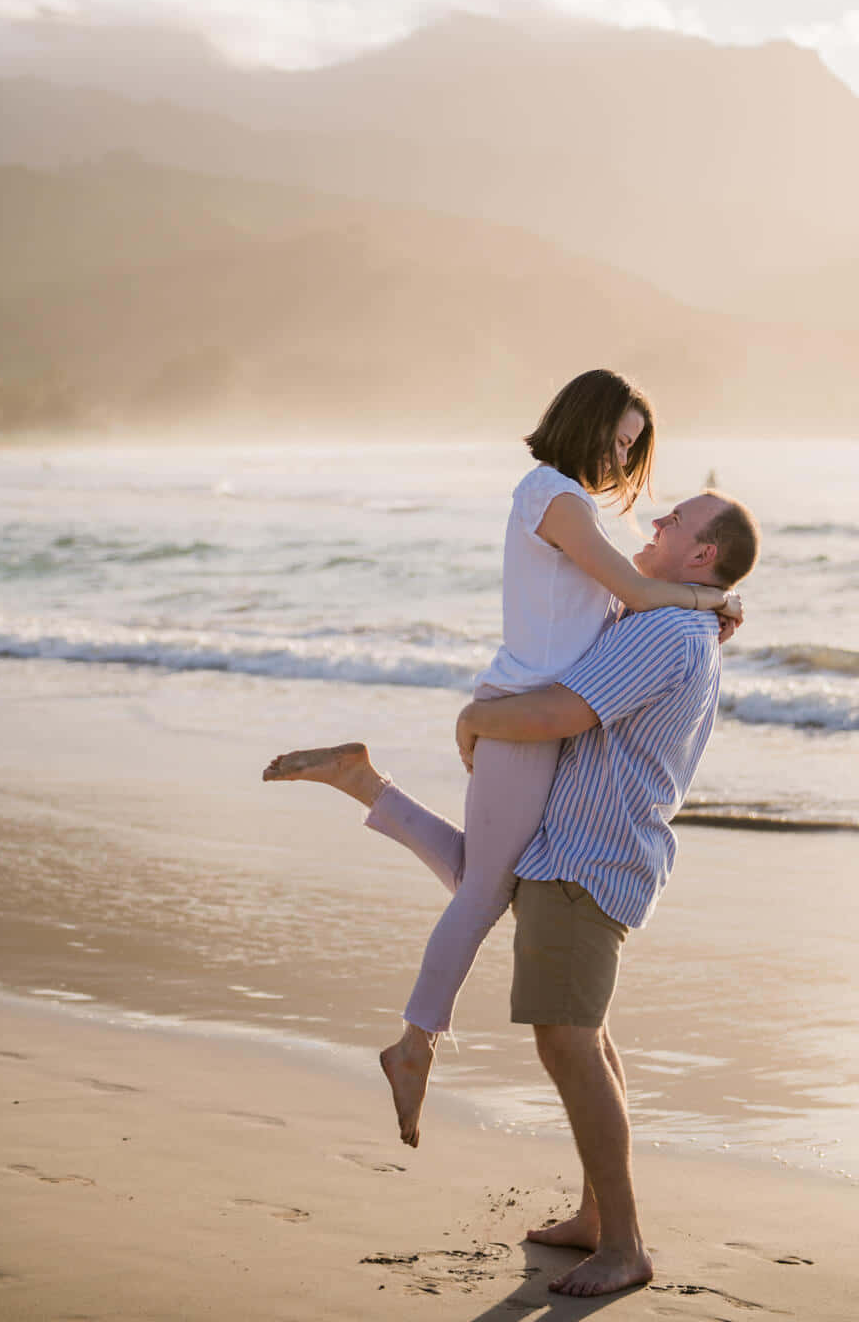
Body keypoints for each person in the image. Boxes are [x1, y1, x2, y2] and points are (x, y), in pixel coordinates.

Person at [263, 369, 742, 1150]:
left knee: (496, 884)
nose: (623, 461)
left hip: (538, 717)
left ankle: (363, 782)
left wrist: (699, 614)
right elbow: (627, 585)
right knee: (487, 890)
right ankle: (414, 1042)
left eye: (631, 448)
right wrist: (708, 600)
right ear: (581, 422)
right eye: (617, 440)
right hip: (525, 715)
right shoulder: (552, 494)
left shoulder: (571, 504)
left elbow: (606, 607)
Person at [453, 487, 759, 1297]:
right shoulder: (676, 617)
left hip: (590, 857)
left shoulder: (665, 629)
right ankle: (597, 1217)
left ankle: (624, 1243)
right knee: (583, 1033)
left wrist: (475, 721)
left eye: (676, 521)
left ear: (701, 554)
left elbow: (562, 712)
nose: (655, 522)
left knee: (567, 1042)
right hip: (595, 851)